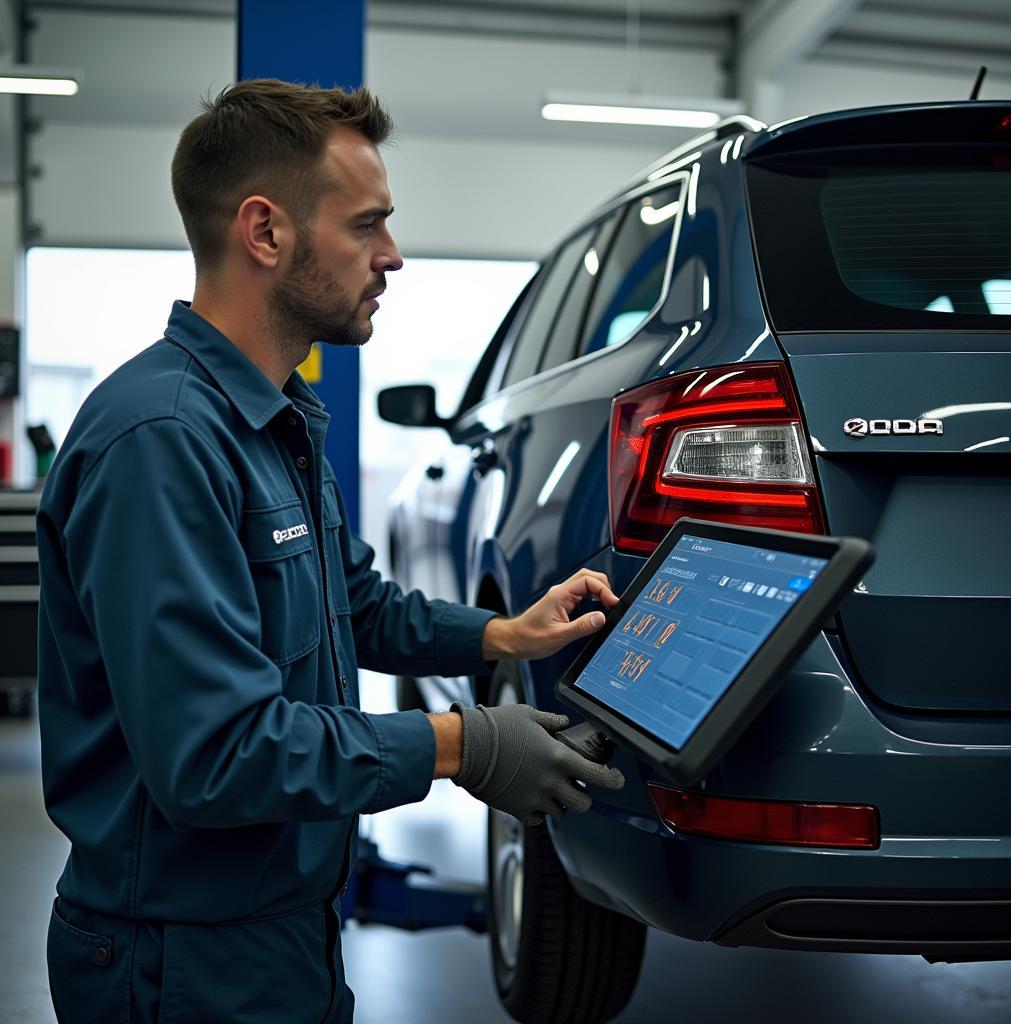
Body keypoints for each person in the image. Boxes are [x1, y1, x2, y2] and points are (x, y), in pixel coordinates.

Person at [35, 79, 625, 1024]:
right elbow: (215, 754)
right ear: (265, 234)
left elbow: (360, 605)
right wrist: (463, 745)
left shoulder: (279, 421)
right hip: (180, 960)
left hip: (285, 928)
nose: (392, 256)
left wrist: (505, 635)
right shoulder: (161, 441)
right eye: (367, 226)